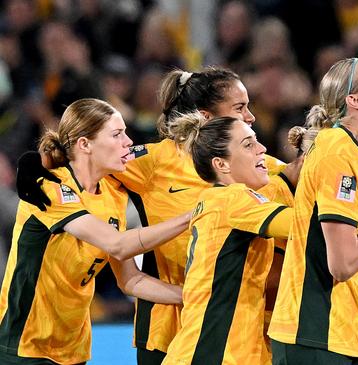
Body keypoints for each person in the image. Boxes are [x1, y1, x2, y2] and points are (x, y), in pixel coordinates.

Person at [14, 66, 299, 365]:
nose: (250, 117)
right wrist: (34, 164)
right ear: (205, 115)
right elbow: (88, 160)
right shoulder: (153, 161)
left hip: (230, 324)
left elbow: (299, 173)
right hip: (165, 325)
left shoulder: (250, 160)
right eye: (240, 108)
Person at [0, 98, 189, 365]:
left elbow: (131, 281)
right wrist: (191, 217)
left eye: (125, 132)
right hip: (24, 344)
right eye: (116, 134)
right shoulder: (51, 187)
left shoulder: (113, 194)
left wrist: (190, 295)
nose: (127, 142)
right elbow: (117, 245)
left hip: (73, 348)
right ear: (84, 144)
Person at [268, 57, 358, 364]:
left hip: (357, 334)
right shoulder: (335, 153)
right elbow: (341, 264)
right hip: (315, 332)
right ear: (355, 100)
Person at [160, 114, 293, 364]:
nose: (262, 148)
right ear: (221, 165)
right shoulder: (233, 199)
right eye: (248, 144)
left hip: (234, 350)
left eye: (257, 141)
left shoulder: (219, 200)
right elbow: (303, 226)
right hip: (214, 353)